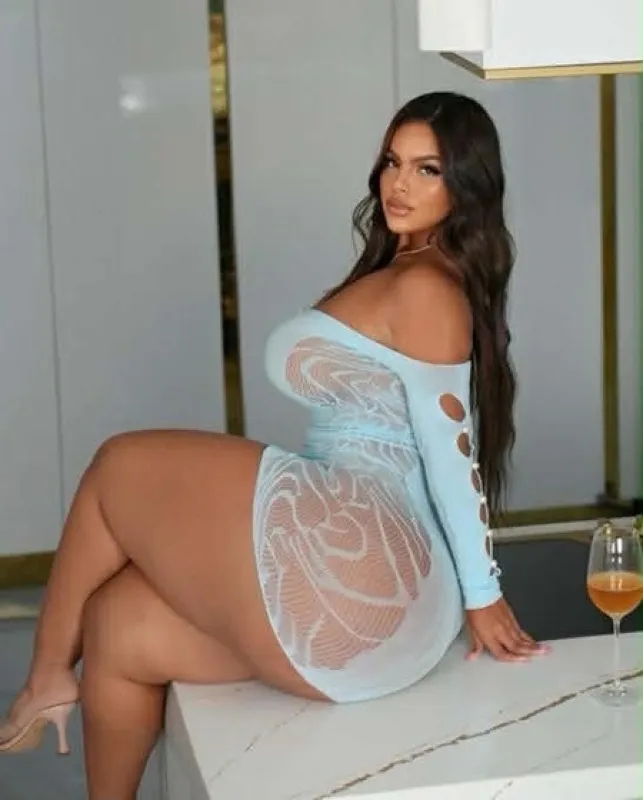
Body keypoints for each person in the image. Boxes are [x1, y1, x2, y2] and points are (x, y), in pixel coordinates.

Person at [0, 91, 550, 798]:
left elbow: (450, 453)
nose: (398, 184)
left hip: (372, 567)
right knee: (118, 624)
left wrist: (484, 595)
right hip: (373, 611)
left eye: (427, 169)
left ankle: (45, 679)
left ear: (466, 185)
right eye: (392, 162)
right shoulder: (412, 271)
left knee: (118, 465)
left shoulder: (425, 289)